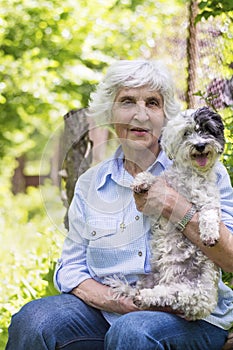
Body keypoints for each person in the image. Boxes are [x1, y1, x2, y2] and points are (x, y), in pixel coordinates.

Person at [6, 59, 233, 350]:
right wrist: (119, 302)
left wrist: (173, 206)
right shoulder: (91, 183)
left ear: (165, 115)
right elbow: (71, 267)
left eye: (152, 103)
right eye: (127, 102)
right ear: (109, 113)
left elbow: (229, 258)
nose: (140, 115)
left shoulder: (204, 170)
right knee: (33, 320)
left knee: (133, 332)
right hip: (110, 311)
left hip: (190, 316)